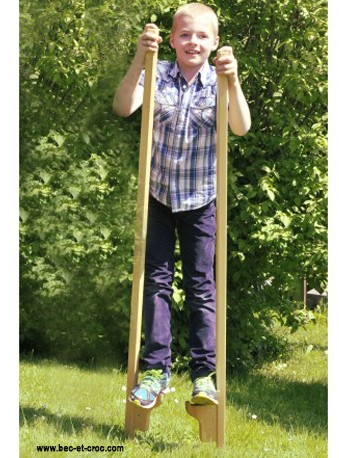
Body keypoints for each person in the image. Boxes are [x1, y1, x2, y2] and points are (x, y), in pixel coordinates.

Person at [113, 3, 251, 409]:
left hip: (200, 200)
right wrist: (141, 56)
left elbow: (240, 127)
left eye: (202, 36)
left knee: (200, 287)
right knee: (154, 281)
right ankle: (155, 371)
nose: (193, 41)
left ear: (214, 43)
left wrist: (235, 80)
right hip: (158, 196)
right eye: (185, 34)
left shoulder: (218, 83)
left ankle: (204, 375)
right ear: (172, 39)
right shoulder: (156, 74)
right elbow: (124, 106)